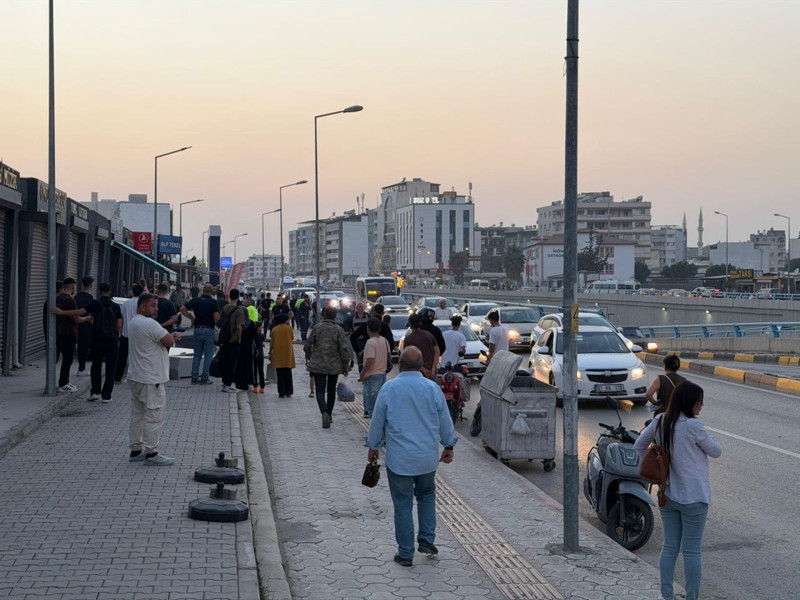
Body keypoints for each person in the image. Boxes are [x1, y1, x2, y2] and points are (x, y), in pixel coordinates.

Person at [365, 346, 456, 567]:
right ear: (420, 365)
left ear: (401, 364)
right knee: (426, 496)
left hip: (400, 460)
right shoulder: (432, 388)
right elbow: (445, 419)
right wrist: (449, 445)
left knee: (403, 504)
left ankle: (406, 553)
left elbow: (377, 421)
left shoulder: (389, 388)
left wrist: (373, 446)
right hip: (426, 458)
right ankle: (426, 539)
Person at [634, 381, 721, 600]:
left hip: (667, 495)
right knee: (691, 551)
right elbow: (716, 451)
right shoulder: (694, 426)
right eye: (699, 402)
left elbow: (638, 446)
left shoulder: (660, 420)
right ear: (690, 402)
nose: (701, 406)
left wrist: (656, 455)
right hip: (694, 497)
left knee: (670, 547)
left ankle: (667, 596)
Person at [127, 293, 180, 466]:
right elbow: (168, 341)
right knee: (154, 415)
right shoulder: (150, 323)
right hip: (151, 378)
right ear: (143, 306)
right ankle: (152, 453)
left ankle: (136, 450)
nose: (157, 308)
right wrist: (174, 337)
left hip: (136, 375)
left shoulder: (134, 321)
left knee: (138, 415)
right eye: (153, 305)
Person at [304, 305, 350, 428]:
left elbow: (307, 345)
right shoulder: (339, 330)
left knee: (319, 390)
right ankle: (328, 414)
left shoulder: (317, 327)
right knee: (331, 391)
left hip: (318, 365)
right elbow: (344, 349)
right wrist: (346, 365)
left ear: (324, 315)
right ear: (335, 315)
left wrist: (309, 357)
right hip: (334, 366)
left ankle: (323, 412)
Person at [85, 282, 122, 403]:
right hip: (112, 340)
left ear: (99, 291)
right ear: (110, 291)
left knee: (96, 365)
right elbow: (119, 325)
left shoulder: (95, 303)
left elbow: (81, 311)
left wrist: (61, 312)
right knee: (111, 367)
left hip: (97, 339)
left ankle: (95, 392)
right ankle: (107, 395)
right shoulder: (116, 306)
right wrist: (117, 337)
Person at [55, 278, 91, 393]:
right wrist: (87, 318)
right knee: (68, 359)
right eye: (74, 287)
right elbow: (76, 319)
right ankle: (63, 383)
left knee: (58, 359)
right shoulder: (71, 301)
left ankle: (61, 381)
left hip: (58, 333)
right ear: (72, 287)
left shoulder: (57, 298)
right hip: (69, 333)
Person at [181, 283, 220, 384]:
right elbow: (216, 318)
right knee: (208, 355)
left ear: (202, 291)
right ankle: (204, 378)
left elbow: (182, 309)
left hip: (197, 329)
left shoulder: (195, 300)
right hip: (209, 330)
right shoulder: (213, 302)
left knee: (197, 354)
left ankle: (194, 378)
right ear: (211, 292)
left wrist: (192, 318)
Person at [358, 317, 391, 418]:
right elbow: (389, 355)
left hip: (372, 376)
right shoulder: (384, 340)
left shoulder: (370, 342)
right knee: (380, 404)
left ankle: (374, 431)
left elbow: (369, 361)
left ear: (368, 328)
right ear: (379, 329)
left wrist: (362, 375)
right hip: (382, 375)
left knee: (373, 408)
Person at [218, 289, 245, 393]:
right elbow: (239, 327)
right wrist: (239, 339)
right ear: (238, 297)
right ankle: (228, 385)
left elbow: (220, 321)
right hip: (233, 340)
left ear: (229, 296)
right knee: (232, 363)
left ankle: (224, 382)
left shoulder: (224, 308)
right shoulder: (239, 311)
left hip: (224, 339)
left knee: (224, 361)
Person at [116, 283, 143, 383]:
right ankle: (135, 378)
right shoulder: (141, 304)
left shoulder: (125, 304)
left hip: (125, 333)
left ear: (132, 291)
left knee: (122, 357)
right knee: (136, 358)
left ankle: (118, 378)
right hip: (138, 335)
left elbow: (121, 319)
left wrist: (120, 331)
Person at [402, 313, 439, 380]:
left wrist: (423, 369)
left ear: (410, 325)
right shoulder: (429, 335)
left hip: (416, 373)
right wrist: (433, 367)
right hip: (431, 372)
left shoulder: (408, 339)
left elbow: (407, 358)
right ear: (420, 323)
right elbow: (437, 351)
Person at [269, 313, 296, 398]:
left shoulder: (274, 329)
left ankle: (281, 392)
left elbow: (272, 343)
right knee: (288, 373)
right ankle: (289, 392)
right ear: (285, 320)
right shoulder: (289, 329)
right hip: (287, 354)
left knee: (280, 374)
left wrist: (270, 352)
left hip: (278, 354)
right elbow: (292, 338)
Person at [74, 276, 95, 378]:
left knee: (80, 347)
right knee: (84, 348)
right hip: (86, 325)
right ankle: (81, 368)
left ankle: (81, 368)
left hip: (77, 325)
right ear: (91, 285)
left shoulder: (77, 297)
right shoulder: (90, 298)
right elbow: (92, 313)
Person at [253, 321, 266, 393]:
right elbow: (262, 341)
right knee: (261, 371)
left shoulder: (253, 335)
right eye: (261, 327)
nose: (262, 328)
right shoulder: (261, 335)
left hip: (254, 355)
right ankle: (262, 388)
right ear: (258, 328)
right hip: (260, 355)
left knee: (254, 371)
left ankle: (255, 387)